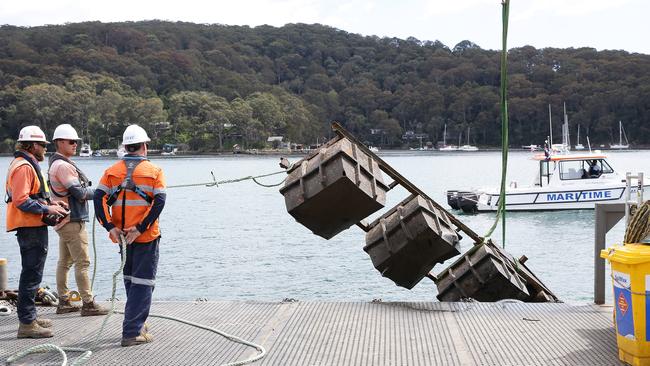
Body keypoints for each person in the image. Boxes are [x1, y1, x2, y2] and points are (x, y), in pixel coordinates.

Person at [93, 124, 166, 347]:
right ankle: (132, 331)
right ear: (144, 146)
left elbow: (98, 198)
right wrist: (141, 228)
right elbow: (160, 201)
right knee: (143, 282)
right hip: (145, 236)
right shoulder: (154, 171)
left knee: (131, 280)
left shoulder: (112, 171)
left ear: (125, 147)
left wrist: (109, 227)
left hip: (123, 237)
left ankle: (137, 323)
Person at [5, 126, 69, 338]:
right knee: (31, 274)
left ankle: (29, 317)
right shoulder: (24, 167)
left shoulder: (26, 164)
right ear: (32, 145)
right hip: (29, 226)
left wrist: (51, 202)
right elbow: (22, 200)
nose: (44, 149)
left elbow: (32, 194)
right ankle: (26, 323)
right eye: (42, 145)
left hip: (32, 225)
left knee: (33, 273)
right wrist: (47, 208)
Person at [48, 124, 108, 316]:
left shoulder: (55, 163)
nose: (75, 145)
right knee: (83, 262)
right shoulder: (64, 166)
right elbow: (80, 193)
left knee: (64, 262)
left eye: (76, 142)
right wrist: (102, 192)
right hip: (72, 220)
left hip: (63, 220)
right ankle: (88, 303)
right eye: (71, 142)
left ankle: (64, 300)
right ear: (59, 143)